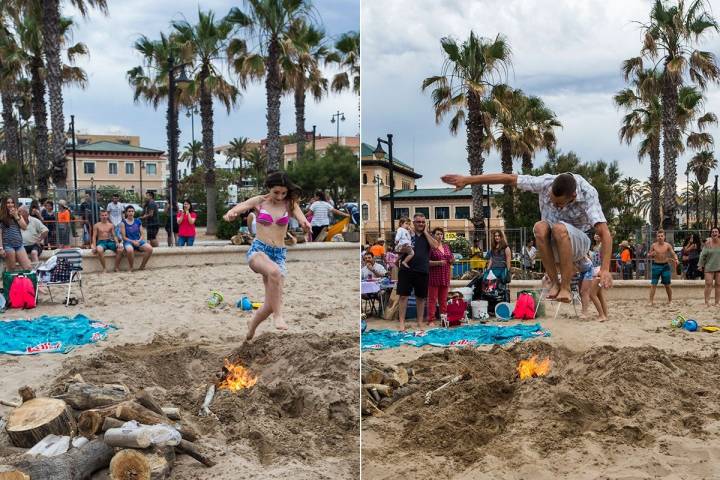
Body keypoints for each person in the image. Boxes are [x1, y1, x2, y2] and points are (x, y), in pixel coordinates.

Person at [442, 171, 613, 303]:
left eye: (559, 204)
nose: (555, 206)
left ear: (573, 196)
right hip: (553, 243)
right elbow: (508, 178)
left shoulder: (588, 193)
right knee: (539, 226)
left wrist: (605, 269)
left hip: (578, 244)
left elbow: (604, 233)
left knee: (560, 228)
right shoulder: (545, 183)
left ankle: (566, 288)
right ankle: (555, 282)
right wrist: (466, 180)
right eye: (552, 201)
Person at [223, 171, 312, 340]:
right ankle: (278, 316)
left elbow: (302, 218)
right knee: (275, 272)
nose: (280, 196)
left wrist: (305, 224)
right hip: (259, 250)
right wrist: (231, 214)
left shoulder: (290, 204)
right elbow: (241, 207)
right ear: (269, 189)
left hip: (279, 254)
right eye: (276, 192)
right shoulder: (259, 202)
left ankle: (252, 326)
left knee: (271, 303)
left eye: (283, 193)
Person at [396, 213, 440, 332]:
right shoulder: (407, 233)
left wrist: (425, 232)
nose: (421, 224)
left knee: (421, 298)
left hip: (422, 270)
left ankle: (420, 323)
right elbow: (397, 248)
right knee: (403, 296)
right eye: (418, 222)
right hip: (406, 269)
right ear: (413, 223)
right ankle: (402, 323)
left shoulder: (428, 236)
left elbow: (435, 246)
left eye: (423, 222)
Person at [427, 227, 454, 326]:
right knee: (432, 299)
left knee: (443, 299)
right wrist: (438, 262)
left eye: (441, 234)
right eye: (437, 234)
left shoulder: (446, 246)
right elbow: (426, 262)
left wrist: (452, 260)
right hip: (434, 276)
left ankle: (444, 318)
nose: (439, 236)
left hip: (445, 276)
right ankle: (431, 319)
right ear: (433, 235)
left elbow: (451, 258)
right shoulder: (431, 247)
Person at [0, 198, 32, 271]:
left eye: (12, 202)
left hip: (19, 245)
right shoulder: (1, 217)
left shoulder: (17, 214)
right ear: (4, 204)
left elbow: (24, 227)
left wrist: (16, 216)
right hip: (8, 245)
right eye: (8, 203)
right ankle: (11, 282)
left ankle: (26, 282)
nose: (10, 204)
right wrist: (1, 248)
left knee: (28, 267)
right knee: (12, 268)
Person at [648, 229, 679, 306]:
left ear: (664, 237)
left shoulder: (667, 245)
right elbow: (648, 255)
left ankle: (670, 300)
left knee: (667, 285)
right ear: (656, 237)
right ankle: (650, 301)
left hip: (665, 266)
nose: (660, 237)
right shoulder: (653, 245)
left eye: (662, 236)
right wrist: (652, 254)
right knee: (653, 284)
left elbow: (673, 253)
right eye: (659, 236)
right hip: (656, 265)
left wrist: (676, 259)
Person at [120, 205, 153, 271]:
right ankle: (131, 267)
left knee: (150, 248)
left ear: (134, 212)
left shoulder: (138, 221)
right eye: (129, 211)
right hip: (128, 241)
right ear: (126, 213)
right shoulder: (123, 223)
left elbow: (142, 234)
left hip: (138, 240)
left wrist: (138, 241)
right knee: (129, 250)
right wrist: (133, 242)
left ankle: (142, 266)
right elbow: (124, 237)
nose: (131, 213)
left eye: (132, 211)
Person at [576, 254, 608, 321]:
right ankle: (605, 314)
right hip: (598, 270)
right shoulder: (599, 247)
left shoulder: (599, 247)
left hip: (596, 271)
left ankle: (602, 315)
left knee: (592, 294)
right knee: (599, 294)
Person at [699, 227, 720, 307]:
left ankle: (717, 302)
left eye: (716, 231)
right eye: (713, 232)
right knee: (708, 283)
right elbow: (702, 255)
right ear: (711, 234)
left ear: (718, 234)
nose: (714, 233)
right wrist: (700, 265)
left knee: (718, 284)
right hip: (709, 266)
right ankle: (706, 302)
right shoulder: (707, 243)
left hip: (719, 266)